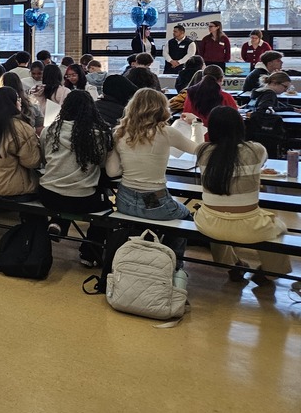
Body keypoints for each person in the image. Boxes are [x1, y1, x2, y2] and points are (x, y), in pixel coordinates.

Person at [191, 106, 289, 285]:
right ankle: (271, 273)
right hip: (250, 226)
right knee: (278, 227)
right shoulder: (256, 150)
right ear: (240, 125)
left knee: (215, 216)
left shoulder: (202, 151)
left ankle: (232, 265)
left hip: (209, 223)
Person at [38, 90, 113, 266]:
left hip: (49, 194)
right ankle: (90, 254)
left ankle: (58, 224)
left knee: (64, 190)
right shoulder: (98, 135)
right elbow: (102, 164)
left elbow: (42, 159)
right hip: (83, 199)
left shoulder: (50, 131)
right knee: (106, 208)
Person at [106, 88, 201, 226]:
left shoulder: (119, 132)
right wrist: (196, 123)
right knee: (185, 217)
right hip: (155, 200)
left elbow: (112, 172)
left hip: (123, 200)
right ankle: (170, 248)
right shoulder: (166, 132)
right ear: (161, 108)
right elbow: (198, 149)